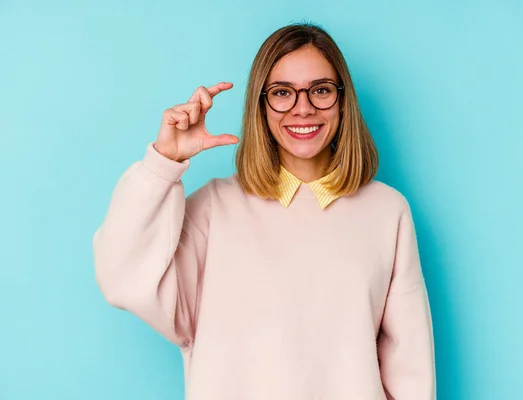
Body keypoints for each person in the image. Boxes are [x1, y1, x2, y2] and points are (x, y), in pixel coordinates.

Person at [93, 23, 436, 399]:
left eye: (320, 90)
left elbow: (411, 372)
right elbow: (122, 277)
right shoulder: (214, 208)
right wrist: (163, 163)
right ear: (261, 103)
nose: (302, 108)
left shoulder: (387, 212)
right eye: (282, 93)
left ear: (342, 100)